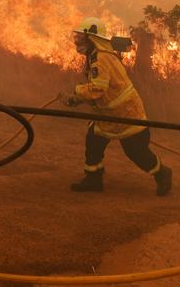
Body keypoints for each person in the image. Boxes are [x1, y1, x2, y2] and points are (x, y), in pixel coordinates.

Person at [60, 17, 172, 197]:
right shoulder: (95, 55)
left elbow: (98, 88)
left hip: (126, 113)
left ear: (92, 38)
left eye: (81, 37)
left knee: (136, 152)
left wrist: (76, 91)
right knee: (94, 142)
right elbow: (100, 89)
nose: (77, 41)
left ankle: (162, 173)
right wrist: (77, 99)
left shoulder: (100, 57)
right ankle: (93, 179)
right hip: (107, 114)